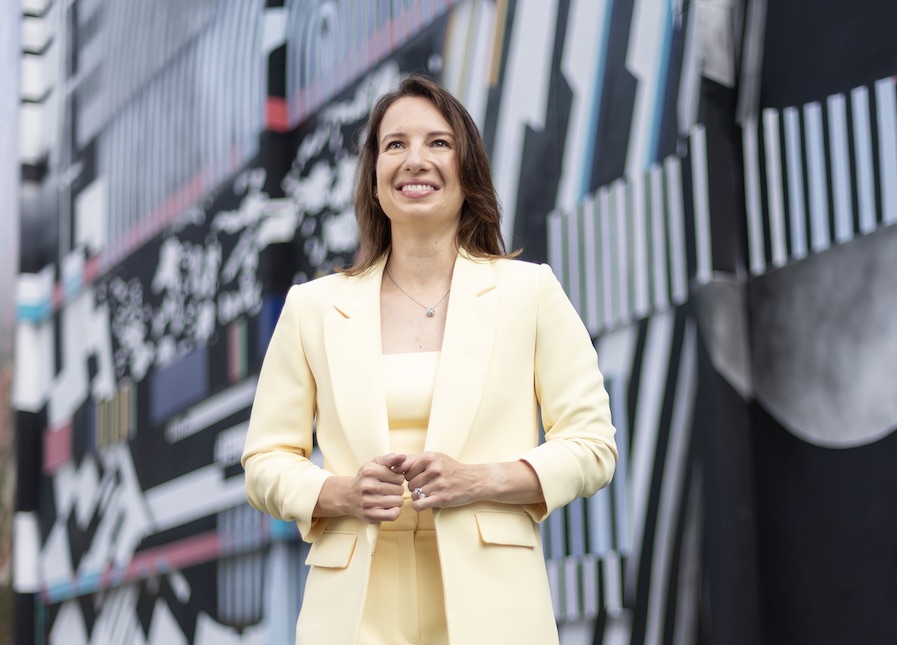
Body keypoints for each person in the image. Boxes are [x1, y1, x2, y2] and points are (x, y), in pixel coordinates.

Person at [241, 73, 618, 644]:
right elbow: (265, 460)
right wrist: (339, 493)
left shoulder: (530, 293)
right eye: (395, 144)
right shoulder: (312, 308)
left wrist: (477, 480)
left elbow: (593, 448)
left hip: (492, 609)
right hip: (354, 613)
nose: (415, 160)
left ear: (468, 171)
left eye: (438, 142)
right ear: (374, 179)